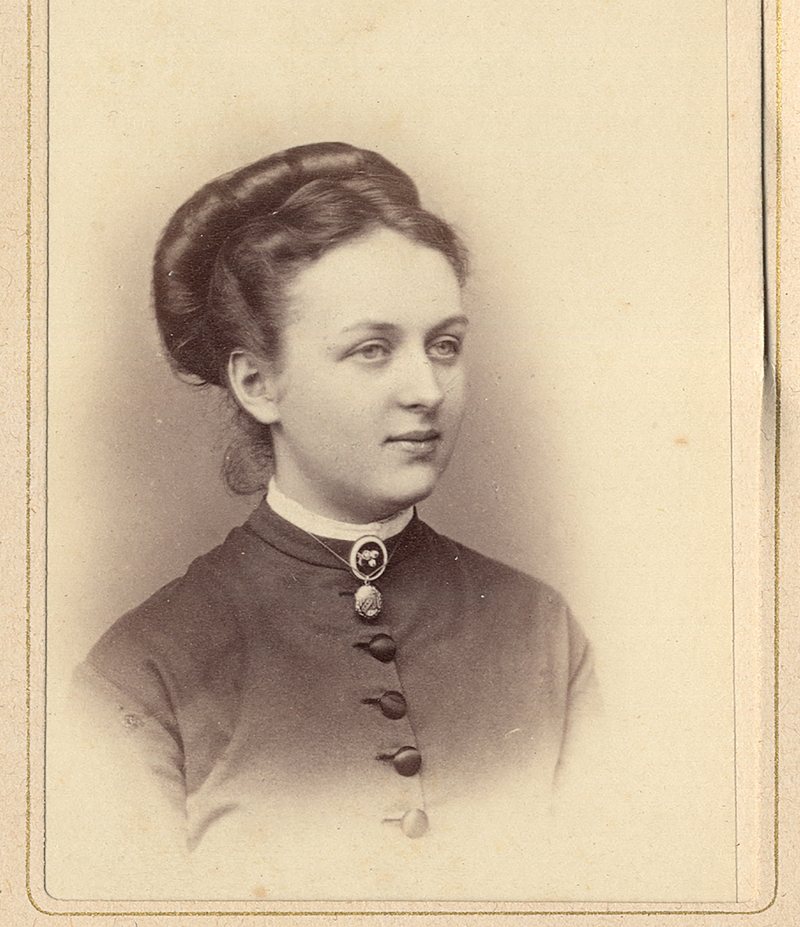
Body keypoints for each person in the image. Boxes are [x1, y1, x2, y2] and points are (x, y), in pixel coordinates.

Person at [60, 142, 597, 901]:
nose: (427, 389)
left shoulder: (542, 631)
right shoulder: (140, 677)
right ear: (258, 382)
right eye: (373, 349)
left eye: (444, 345)